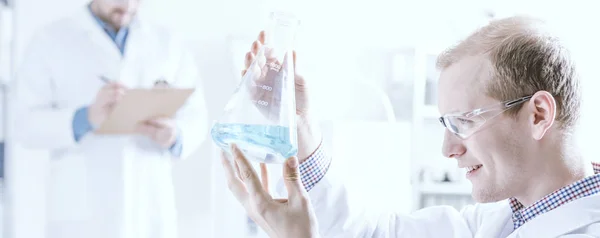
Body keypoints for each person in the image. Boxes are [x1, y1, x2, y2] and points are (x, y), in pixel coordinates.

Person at [220, 16, 600, 237]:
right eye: (445, 124)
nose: (447, 148)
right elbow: (372, 233)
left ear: (538, 115)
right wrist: (300, 122)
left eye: (464, 121)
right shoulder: (501, 219)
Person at [11, 0, 208, 237]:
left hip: (148, 205)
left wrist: (175, 135)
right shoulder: (49, 40)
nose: (127, 4)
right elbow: (24, 123)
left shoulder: (168, 42)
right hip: (82, 209)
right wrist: (85, 118)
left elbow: (196, 115)